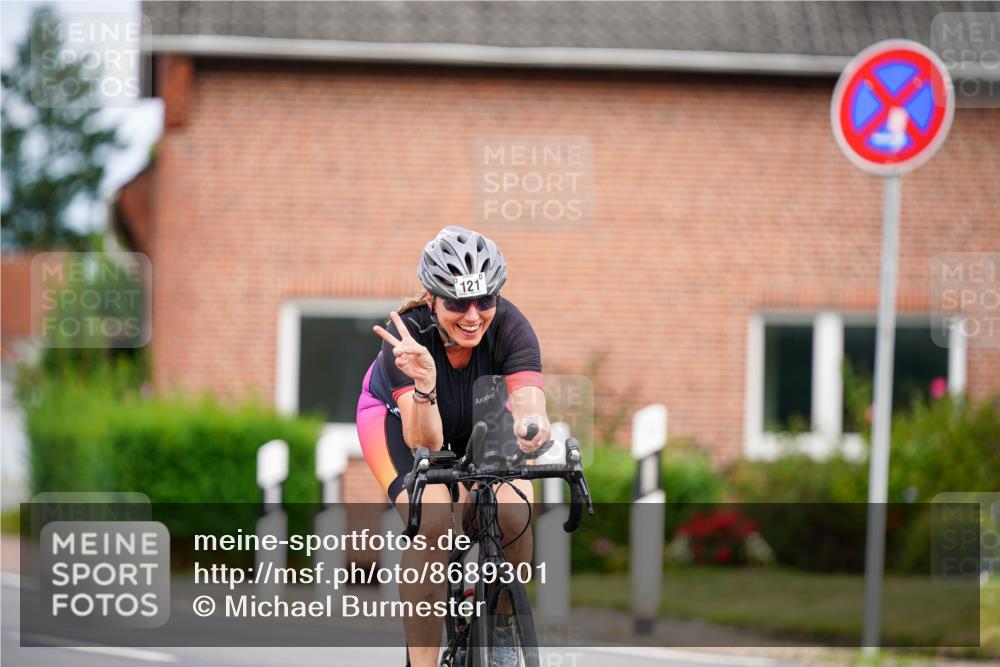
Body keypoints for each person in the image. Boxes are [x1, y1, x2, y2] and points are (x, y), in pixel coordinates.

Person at [356, 226, 550, 667]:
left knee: (514, 511)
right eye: (457, 303)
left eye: (485, 300)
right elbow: (424, 442)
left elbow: (528, 404)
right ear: (431, 299)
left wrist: (533, 429)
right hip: (400, 425)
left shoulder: (511, 325)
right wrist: (425, 384)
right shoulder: (406, 339)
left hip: (483, 419)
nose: (473, 315)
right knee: (434, 521)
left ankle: (500, 640)